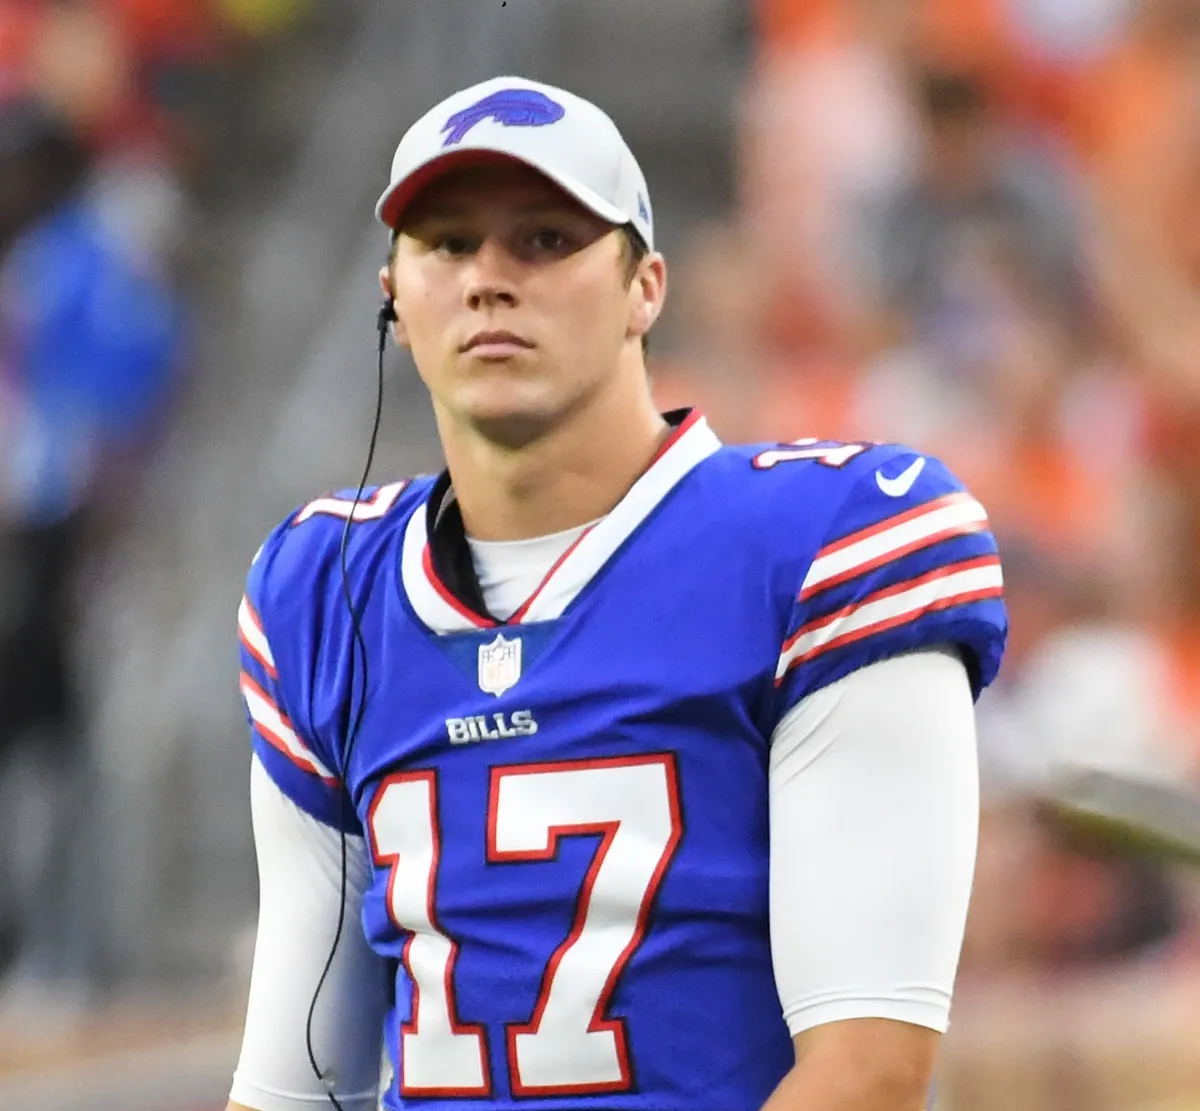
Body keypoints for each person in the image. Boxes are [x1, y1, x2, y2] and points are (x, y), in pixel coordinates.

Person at [227, 76, 1007, 1111]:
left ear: (646, 287)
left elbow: (868, 1067)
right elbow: (295, 1087)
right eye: (449, 244)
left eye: (546, 240)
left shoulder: (821, 549)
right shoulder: (326, 595)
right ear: (394, 300)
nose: (489, 280)